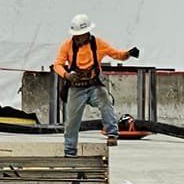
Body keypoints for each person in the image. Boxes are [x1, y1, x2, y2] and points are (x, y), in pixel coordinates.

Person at [54, 16, 138, 156]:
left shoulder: (98, 44)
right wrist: (67, 75)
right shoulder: (67, 45)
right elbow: (58, 64)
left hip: (93, 86)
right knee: (72, 121)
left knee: (105, 100)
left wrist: (127, 54)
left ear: (87, 33)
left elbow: (115, 54)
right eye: (76, 35)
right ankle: (69, 151)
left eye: (80, 35)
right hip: (76, 88)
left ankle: (112, 134)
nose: (78, 38)